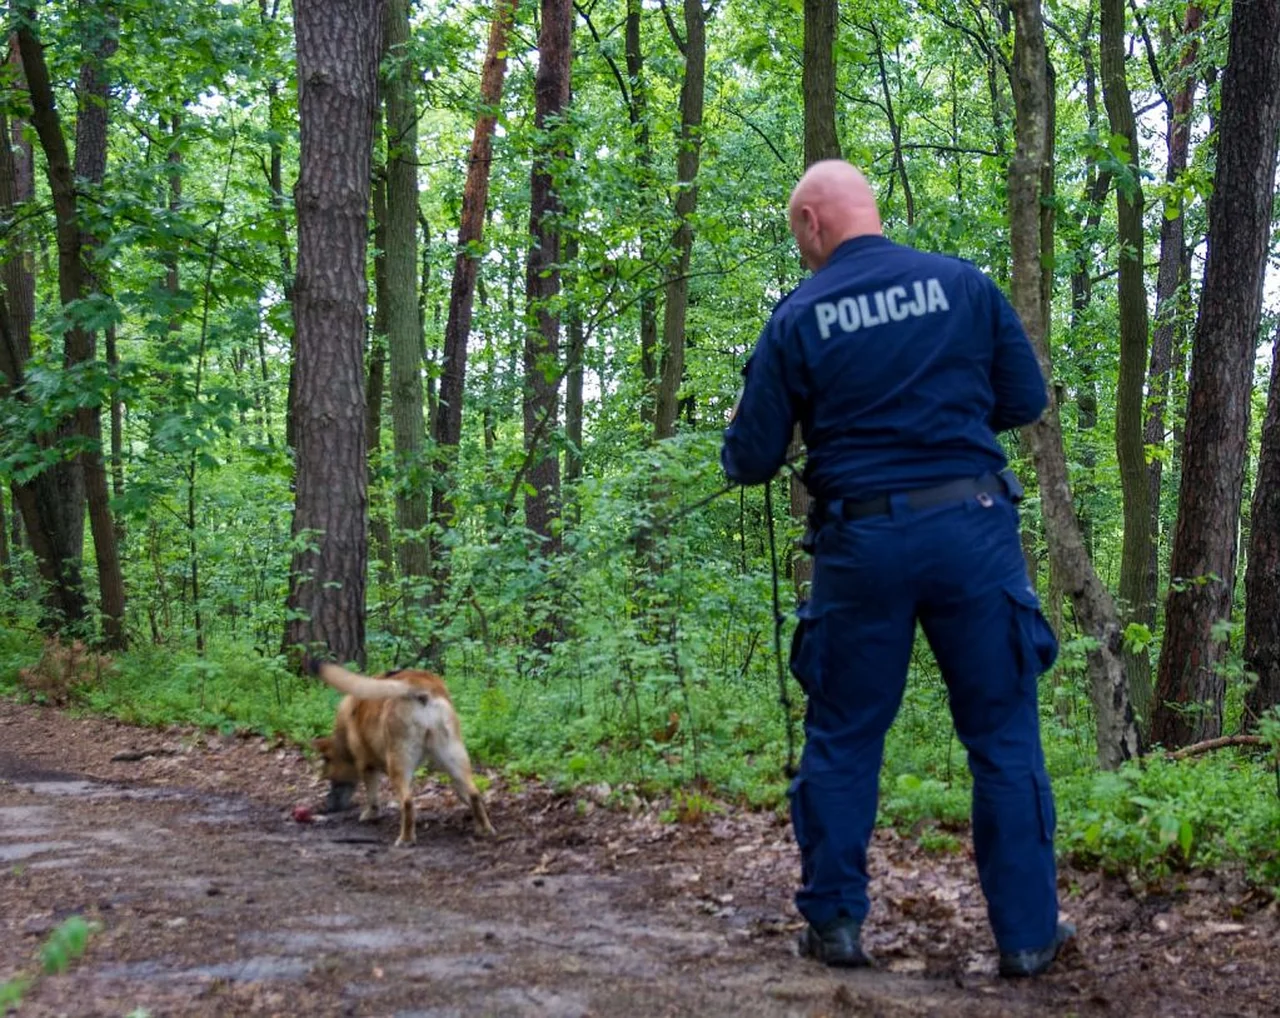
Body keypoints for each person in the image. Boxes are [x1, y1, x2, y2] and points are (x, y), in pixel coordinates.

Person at [721, 160, 1074, 978]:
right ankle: (1026, 938)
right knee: (1003, 734)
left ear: (812, 223)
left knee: (844, 736)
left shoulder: (799, 314)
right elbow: (1024, 401)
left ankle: (835, 927)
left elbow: (750, 460)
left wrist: (754, 424)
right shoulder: (964, 285)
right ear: (868, 210)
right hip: (973, 530)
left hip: (862, 545)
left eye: (795, 236)